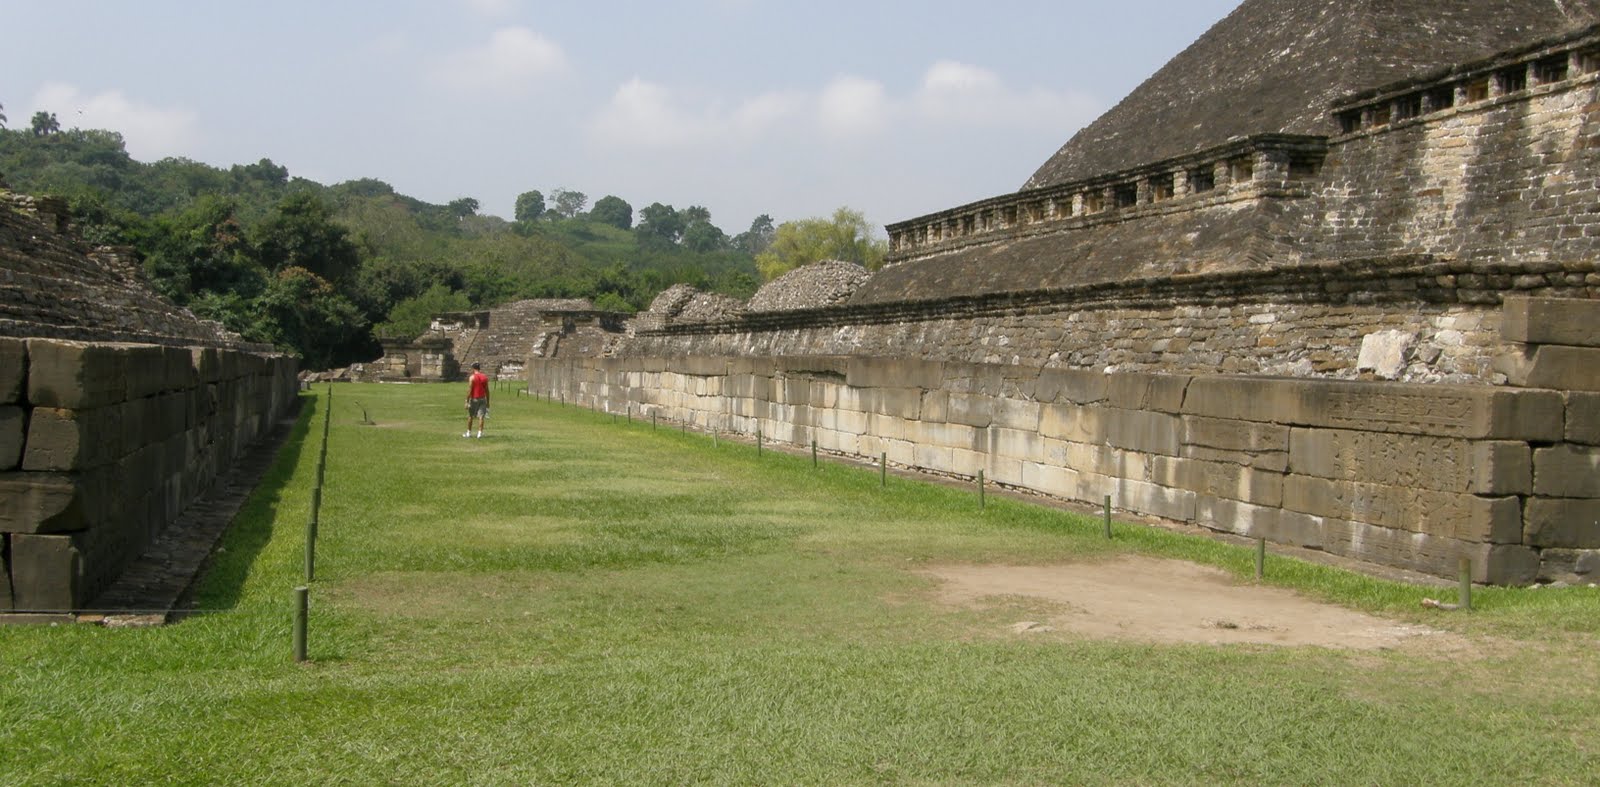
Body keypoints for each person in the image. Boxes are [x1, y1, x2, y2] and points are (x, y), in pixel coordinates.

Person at [464, 362, 490, 438]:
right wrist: (488, 401)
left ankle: (468, 432)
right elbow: (487, 391)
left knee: (470, 416)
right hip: (482, 399)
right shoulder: (484, 377)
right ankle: (479, 433)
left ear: (473, 368)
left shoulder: (472, 377)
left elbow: (469, 390)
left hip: (474, 399)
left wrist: (466, 401)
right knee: (481, 417)